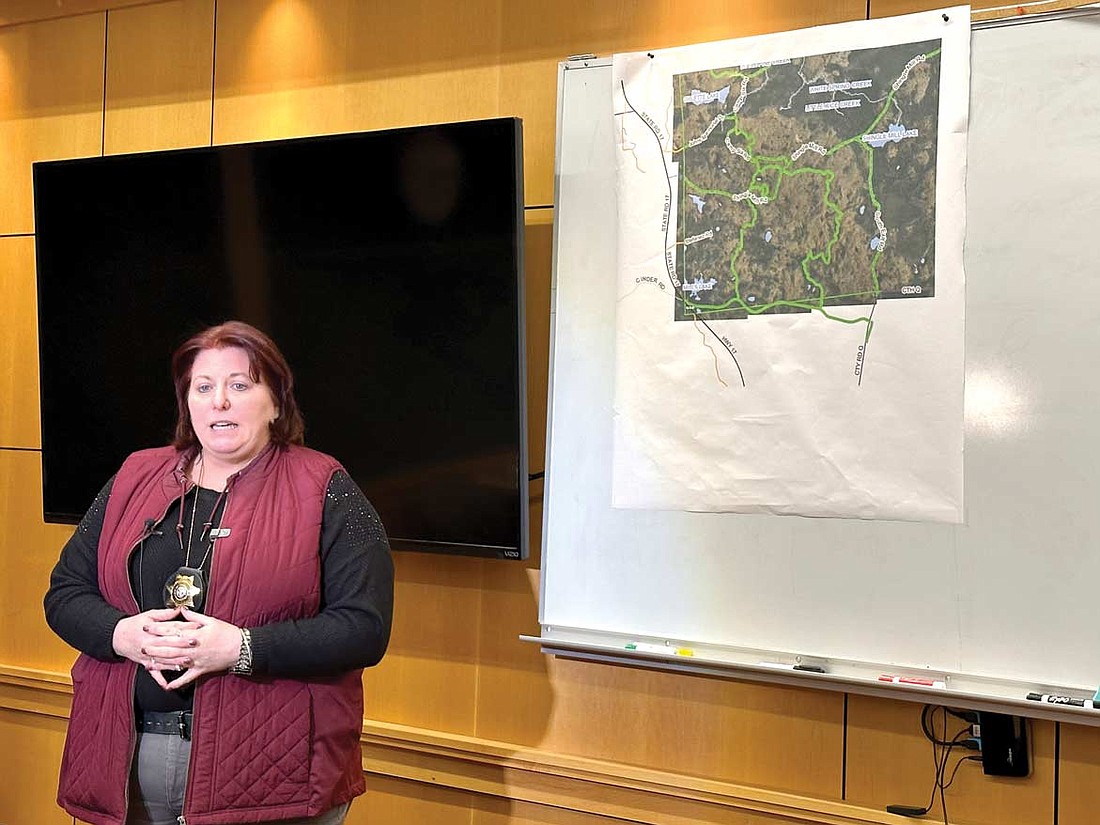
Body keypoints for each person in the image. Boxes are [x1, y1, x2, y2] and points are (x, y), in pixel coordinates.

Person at [44, 321, 395, 825]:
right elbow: (64, 593)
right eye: (203, 387)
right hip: (122, 762)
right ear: (187, 402)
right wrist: (122, 634)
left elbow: (365, 628)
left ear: (276, 401)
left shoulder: (325, 486)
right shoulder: (134, 476)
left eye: (240, 385)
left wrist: (242, 648)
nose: (219, 402)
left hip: (274, 776)